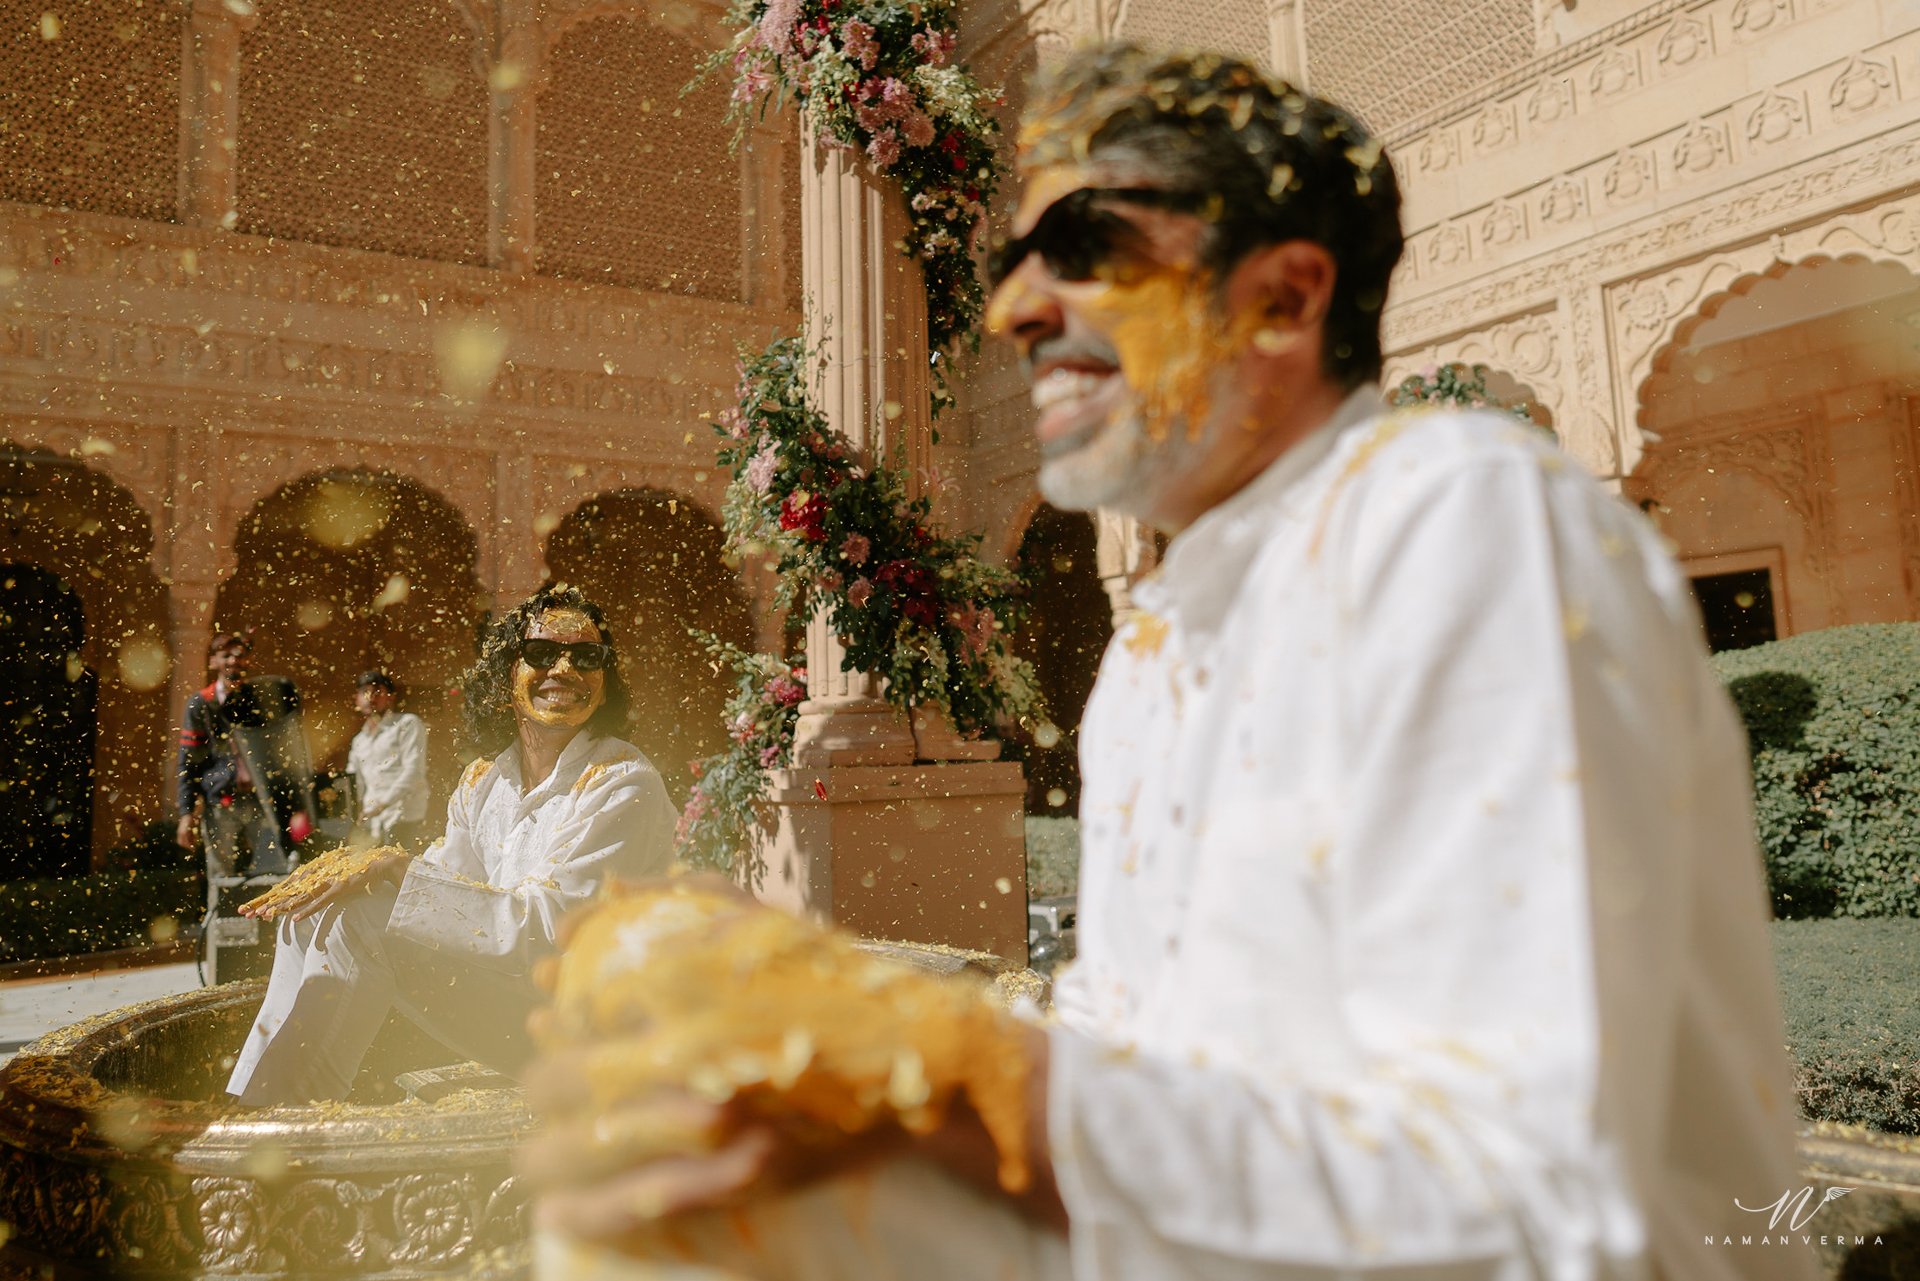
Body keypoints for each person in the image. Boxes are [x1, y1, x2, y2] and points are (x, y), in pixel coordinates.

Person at [520, 43, 1818, 1281]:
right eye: (1018, 262)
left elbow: (1515, 1185)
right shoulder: (1159, 645)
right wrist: (806, 1042)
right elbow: (1141, 1065)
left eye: (1085, 250)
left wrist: (937, 1077)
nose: (1019, 309)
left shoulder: (1460, 527)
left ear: (1285, 293)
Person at [225, 587, 677, 1106]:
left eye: (587, 657)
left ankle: (283, 1120)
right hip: (520, 1003)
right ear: (506, 675)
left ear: (604, 683)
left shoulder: (622, 783)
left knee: (365, 919)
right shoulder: (485, 780)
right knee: (313, 907)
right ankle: (246, 1101)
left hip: (589, 1035)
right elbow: (447, 889)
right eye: (542, 654)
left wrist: (395, 868)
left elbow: (552, 933)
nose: (565, 669)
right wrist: (359, 869)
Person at [175, 632, 315, 878]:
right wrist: (186, 813)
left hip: (261, 800)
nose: (233, 661)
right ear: (213, 662)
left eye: (239, 655)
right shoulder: (201, 704)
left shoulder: (262, 698)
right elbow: (189, 760)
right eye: (225, 655)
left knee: (271, 872)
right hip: (221, 801)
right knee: (221, 875)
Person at [345, 670, 430, 848]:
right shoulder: (359, 740)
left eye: (377, 691)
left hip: (404, 814)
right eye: (364, 692)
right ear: (356, 700)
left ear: (390, 697)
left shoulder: (407, 724)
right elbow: (355, 781)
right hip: (373, 819)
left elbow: (413, 771)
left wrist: (382, 804)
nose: (370, 697)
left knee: (402, 870)